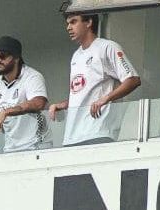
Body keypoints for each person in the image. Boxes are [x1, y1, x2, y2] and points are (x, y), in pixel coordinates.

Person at [52, 9, 141, 145]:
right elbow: (84, 93)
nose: (68, 27)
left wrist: (106, 98)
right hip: (72, 135)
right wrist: (64, 105)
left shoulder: (108, 47)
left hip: (98, 131)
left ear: (89, 22)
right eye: (68, 23)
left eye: (73, 22)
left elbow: (133, 79)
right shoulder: (76, 55)